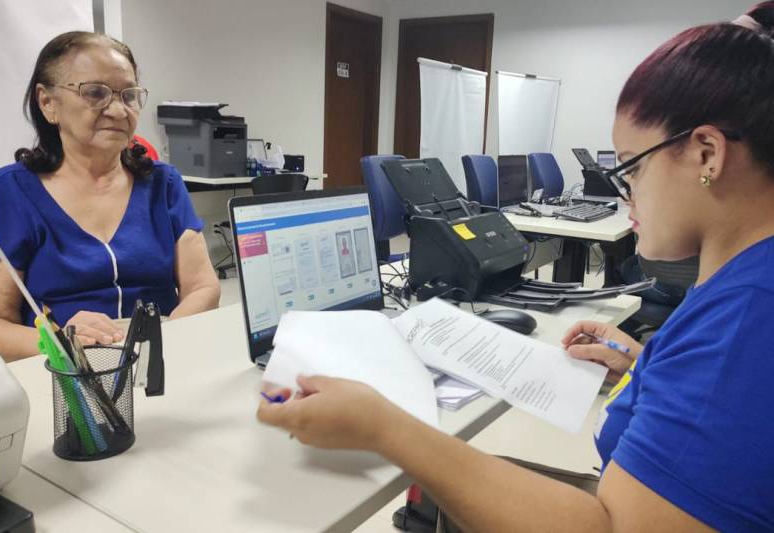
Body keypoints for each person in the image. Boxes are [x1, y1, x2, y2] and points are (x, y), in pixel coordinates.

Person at [258, 4, 774, 531]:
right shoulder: (746, 287)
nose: (627, 194)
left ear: (708, 154)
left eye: (633, 169)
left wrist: (384, 428)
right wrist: (647, 371)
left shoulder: (746, 324)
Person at [0, 32, 220, 362]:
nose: (119, 110)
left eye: (129, 95)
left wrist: (160, 352)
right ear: (47, 102)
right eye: (95, 93)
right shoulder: (9, 193)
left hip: (159, 361)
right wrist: (63, 345)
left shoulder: (163, 183)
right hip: (66, 374)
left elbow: (203, 288)